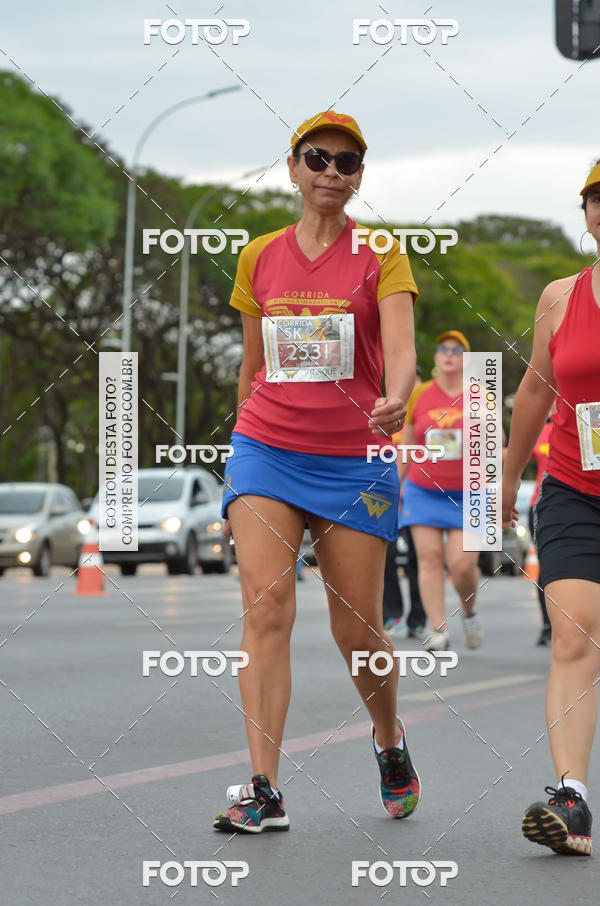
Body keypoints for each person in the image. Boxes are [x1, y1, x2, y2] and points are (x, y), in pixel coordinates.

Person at [213, 111, 421, 834]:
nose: (332, 172)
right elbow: (252, 364)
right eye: (318, 158)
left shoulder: (381, 253)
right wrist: (239, 448)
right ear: (294, 168)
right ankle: (263, 788)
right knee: (266, 608)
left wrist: (399, 396)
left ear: (360, 175)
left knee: (357, 629)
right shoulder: (258, 256)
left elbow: (402, 349)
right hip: (266, 448)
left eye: (347, 161)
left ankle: (388, 738)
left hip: (354, 460)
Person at [502, 160, 600, 857]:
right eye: (596, 199)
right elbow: (535, 390)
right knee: (572, 637)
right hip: (572, 489)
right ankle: (573, 801)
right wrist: (506, 479)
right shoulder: (561, 297)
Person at [398, 331, 484, 652]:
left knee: (461, 565)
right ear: (436, 357)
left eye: (456, 350)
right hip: (423, 490)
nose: (449, 354)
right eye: (443, 349)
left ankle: (469, 612)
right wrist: (393, 488)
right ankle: (438, 631)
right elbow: (407, 446)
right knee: (429, 559)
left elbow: (497, 444)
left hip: (468, 493)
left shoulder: (479, 395)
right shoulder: (419, 395)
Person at [383, 366, 427, 640]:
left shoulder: (430, 418)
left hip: (419, 496)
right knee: (385, 557)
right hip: (387, 495)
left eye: (416, 385)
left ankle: (418, 618)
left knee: (418, 559)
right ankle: (392, 612)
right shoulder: (384, 416)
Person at [529, 414, 553, 645]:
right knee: (547, 567)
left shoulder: (587, 417)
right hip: (541, 504)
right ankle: (548, 625)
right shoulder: (540, 429)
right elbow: (514, 454)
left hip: (585, 503)